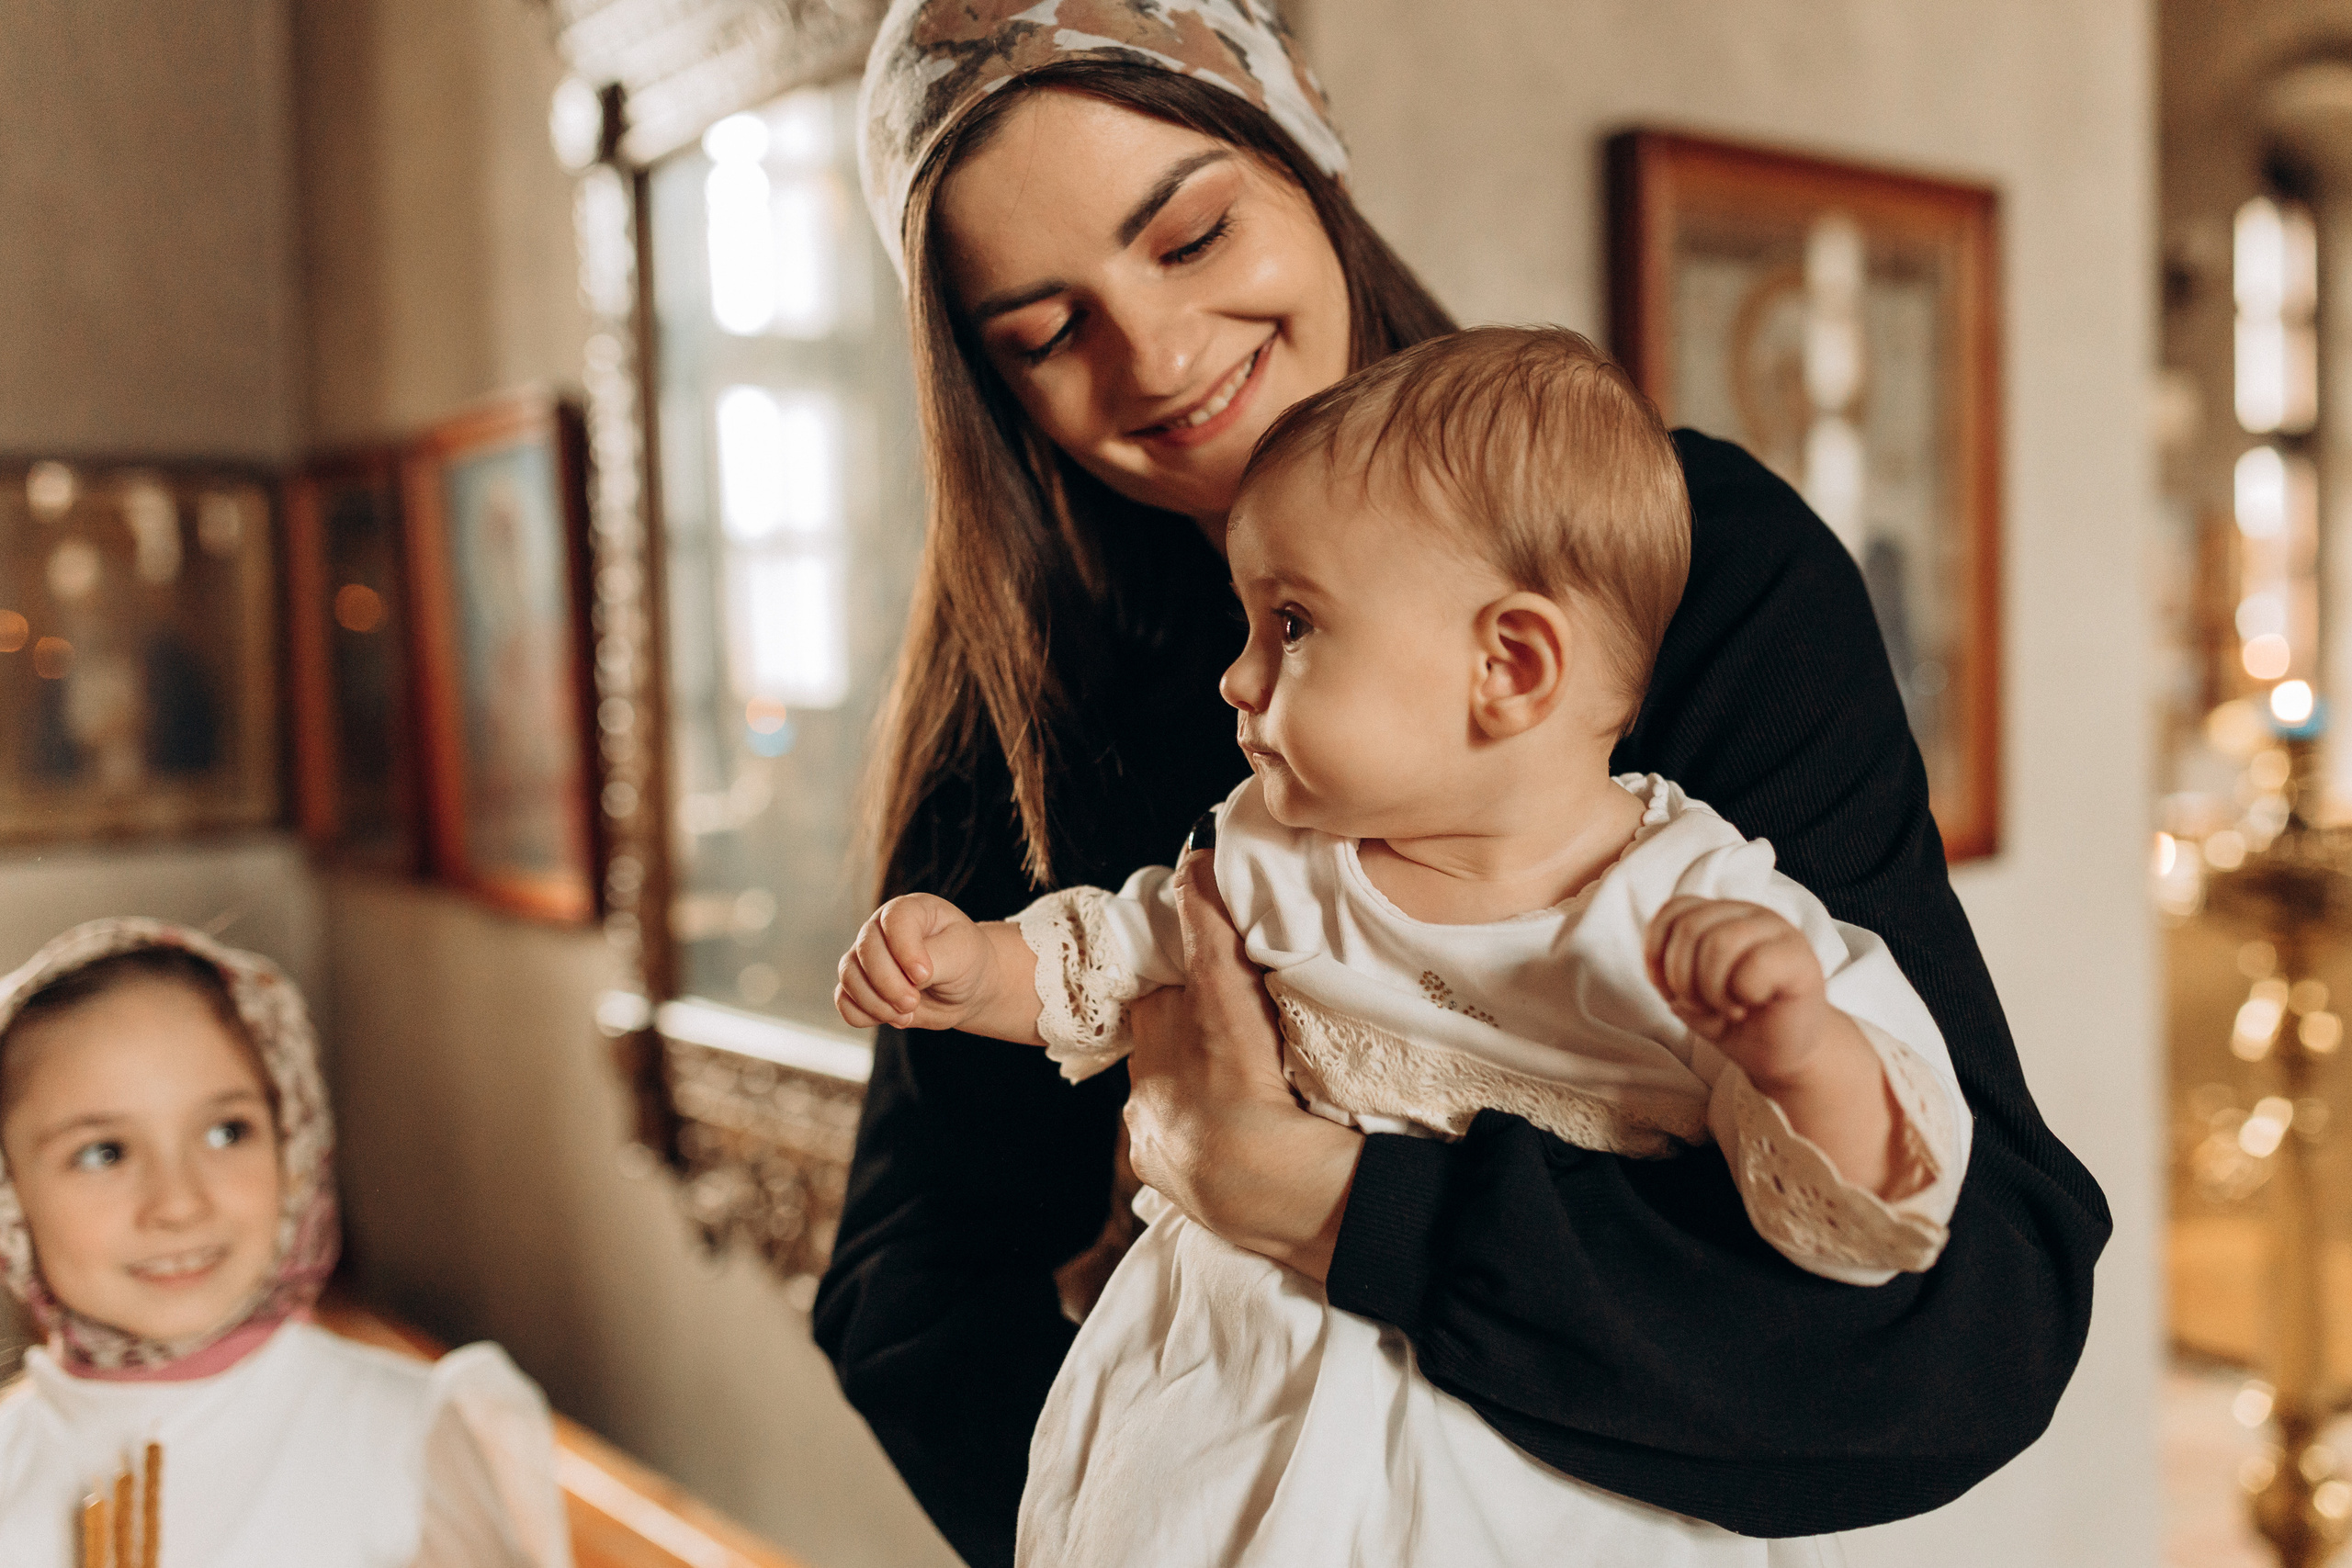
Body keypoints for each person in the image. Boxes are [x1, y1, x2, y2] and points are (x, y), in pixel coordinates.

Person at [812, 5, 2111, 1563]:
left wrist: (1310, 1196)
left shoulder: (1696, 576)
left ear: (1312, 156)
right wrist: (1171, 1495)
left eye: (1194, 234)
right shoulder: (1024, 715)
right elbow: (907, 1295)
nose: (1153, 356)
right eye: (1042, 331)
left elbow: (1962, 1338)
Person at [836, 328, 1970, 1566]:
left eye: (1291, 624)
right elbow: (1112, 955)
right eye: (1246, 622)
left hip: (1539, 1477)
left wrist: (1799, 1049)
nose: (1237, 675)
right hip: (1234, 1419)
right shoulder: (1276, 850)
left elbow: (1872, 1196)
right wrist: (972, 967)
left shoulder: (1694, 907)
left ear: (1509, 664)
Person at [0, 919, 571, 1568]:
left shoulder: (399, 1436)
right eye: (104, 1151)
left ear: (293, 1141)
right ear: (10, 1193)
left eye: (226, 1132)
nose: (180, 1202)